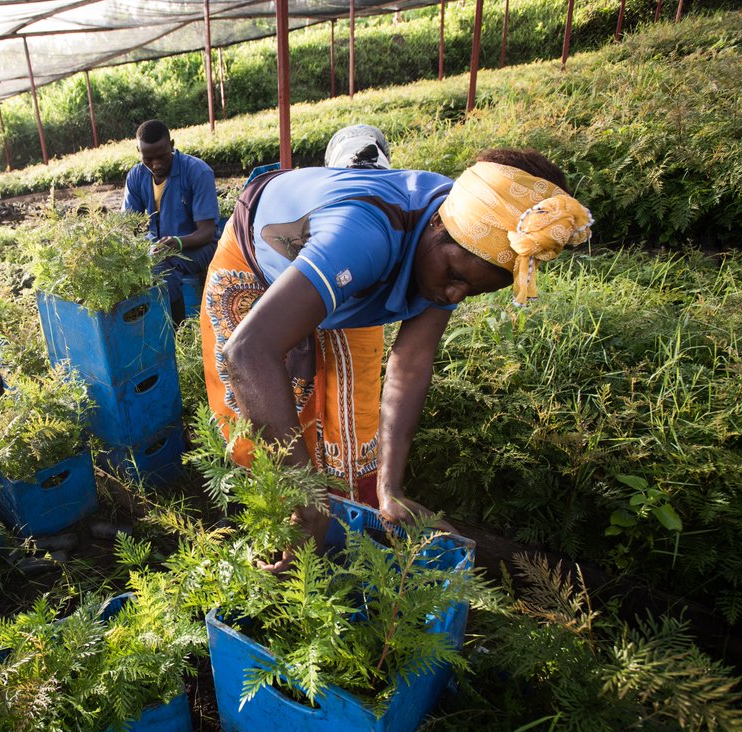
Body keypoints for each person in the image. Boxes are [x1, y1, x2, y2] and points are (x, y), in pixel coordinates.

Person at [200, 149, 592, 566]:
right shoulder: (365, 236)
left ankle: (346, 520)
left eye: (473, 290)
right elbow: (246, 352)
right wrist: (304, 495)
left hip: (350, 271)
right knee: (263, 423)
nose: (455, 296)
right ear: (437, 226)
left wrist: (392, 489)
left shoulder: (457, 246)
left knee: (350, 420)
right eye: (456, 277)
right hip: (260, 262)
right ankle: (278, 533)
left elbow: (412, 361)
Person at [122, 119, 221, 323]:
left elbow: (207, 232)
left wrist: (178, 243)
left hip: (199, 246)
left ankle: (175, 330)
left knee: (161, 268)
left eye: (162, 156)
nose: (156, 164)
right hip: (159, 247)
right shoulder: (136, 176)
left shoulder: (197, 172)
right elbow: (126, 225)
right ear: (138, 151)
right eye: (148, 158)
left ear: (172, 145)